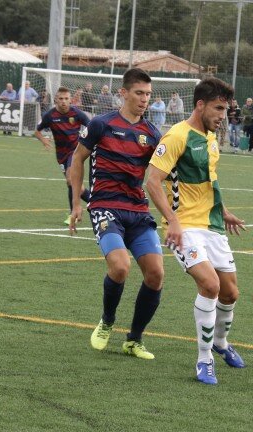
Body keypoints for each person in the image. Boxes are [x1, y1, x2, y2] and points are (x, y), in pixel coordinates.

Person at [145, 77, 246, 385]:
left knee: (231, 292)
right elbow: (152, 181)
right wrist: (172, 221)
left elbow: (208, 181)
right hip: (184, 227)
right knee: (210, 285)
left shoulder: (211, 138)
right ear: (200, 105)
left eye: (225, 110)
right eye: (217, 108)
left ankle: (221, 343)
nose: (222, 115)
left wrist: (223, 210)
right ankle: (205, 359)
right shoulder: (177, 136)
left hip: (212, 225)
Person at [69, 68, 164, 360]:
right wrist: (75, 203)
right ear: (123, 93)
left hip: (138, 211)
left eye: (148, 94)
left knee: (156, 274)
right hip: (106, 207)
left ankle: (134, 340)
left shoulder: (152, 134)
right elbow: (77, 159)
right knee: (121, 267)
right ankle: (107, 321)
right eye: (139, 93)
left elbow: (162, 174)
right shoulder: (101, 124)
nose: (144, 99)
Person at [34, 87, 91, 225]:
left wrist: (88, 141)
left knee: (71, 179)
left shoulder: (77, 113)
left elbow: (92, 127)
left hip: (76, 151)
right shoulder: (50, 116)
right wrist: (44, 140)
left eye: (66, 99)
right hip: (61, 155)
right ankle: (98, 203)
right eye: (61, 99)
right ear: (55, 100)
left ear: (71, 100)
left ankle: (73, 215)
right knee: (76, 186)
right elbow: (37, 131)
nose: (64, 102)